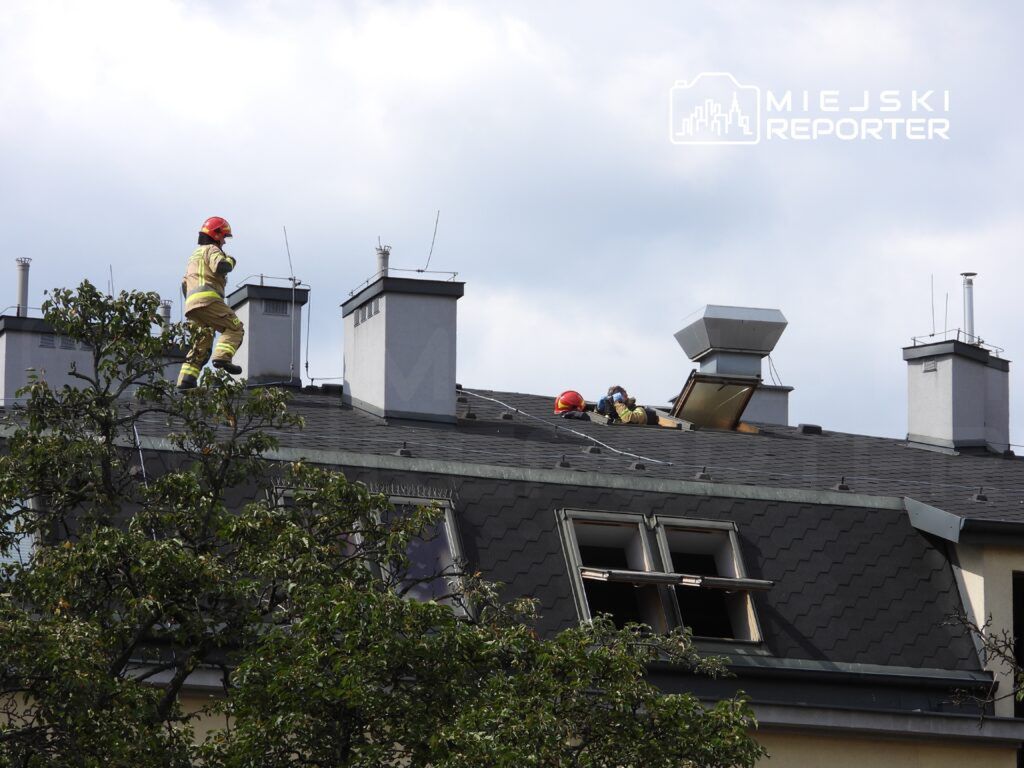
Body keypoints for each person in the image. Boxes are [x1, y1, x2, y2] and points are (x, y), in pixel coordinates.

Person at [175, 216, 245, 391]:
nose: (224, 242)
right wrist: (231, 260)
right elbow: (221, 266)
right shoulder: (212, 249)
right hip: (208, 300)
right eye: (224, 237)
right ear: (216, 234)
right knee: (235, 327)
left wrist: (194, 304)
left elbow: (184, 284)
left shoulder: (193, 257)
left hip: (192, 306)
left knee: (201, 344)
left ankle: (185, 381)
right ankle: (222, 357)